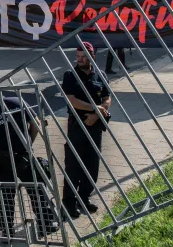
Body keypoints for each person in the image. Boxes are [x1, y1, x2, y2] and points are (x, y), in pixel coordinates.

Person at [0, 76, 59, 238]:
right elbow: (36, 123)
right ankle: (46, 223)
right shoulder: (17, 101)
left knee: (5, 196)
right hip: (24, 156)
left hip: (3, 160)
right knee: (37, 189)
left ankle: (7, 230)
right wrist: (29, 142)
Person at [61, 42, 111, 218]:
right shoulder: (70, 75)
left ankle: (84, 198)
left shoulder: (100, 75)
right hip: (77, 126)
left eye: (84, 57)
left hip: (95, 126)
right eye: (78, 57)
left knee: (92, 165)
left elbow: (107, 98)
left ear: (92, 56)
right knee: (73, 165)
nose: (81, 60)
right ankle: (69, 202)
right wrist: (94, 109)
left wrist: (96, 115)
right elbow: (71, 100)